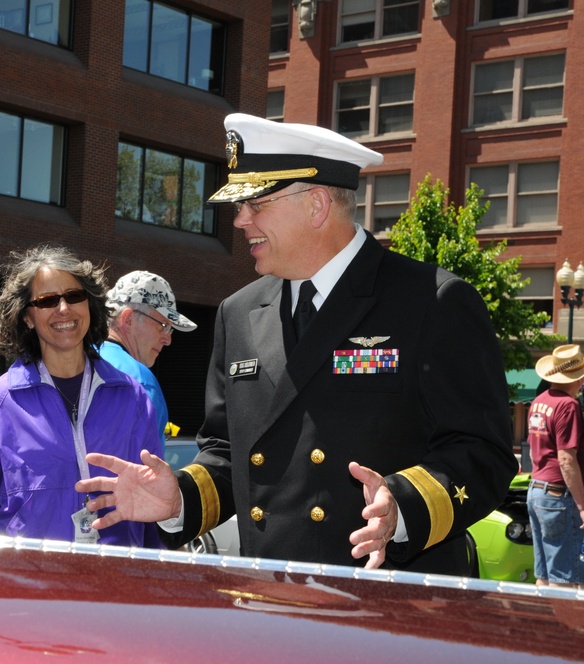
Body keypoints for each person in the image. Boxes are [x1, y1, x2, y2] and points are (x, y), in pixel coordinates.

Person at [76, 113, 518, 573]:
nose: (240, 220)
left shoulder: (431, 300)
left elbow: (480, 451)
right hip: (272, 596)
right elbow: (228, 451)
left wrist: (403, 508)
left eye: (257, 204)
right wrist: (181, 497)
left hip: (389, 602)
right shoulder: (238, 312)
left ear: (317, 204)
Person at [0, 245, 164, 546]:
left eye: (74, 296)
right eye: (47, 300)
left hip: (111, 584)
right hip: (24, 586)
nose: (64, 309)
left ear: (90, 305)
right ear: (27, 317)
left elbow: (155, 514)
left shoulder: (133, 398)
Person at [99, 271, 196, 439]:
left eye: (170, 329)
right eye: (163, 325)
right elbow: (147, 463)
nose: (168, 340)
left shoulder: (73, 359)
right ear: (128, 319)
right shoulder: (139, 381)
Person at [525, 344, 584, 587]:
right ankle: (566, 627)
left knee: (544, 577)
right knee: (565, 580)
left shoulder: (539, 401)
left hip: (536, 491)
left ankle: (542, 625)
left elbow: (534, 448)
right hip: (558, 496)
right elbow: (566, 459)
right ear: (578, 378)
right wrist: (582, 506)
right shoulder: (568, 406)